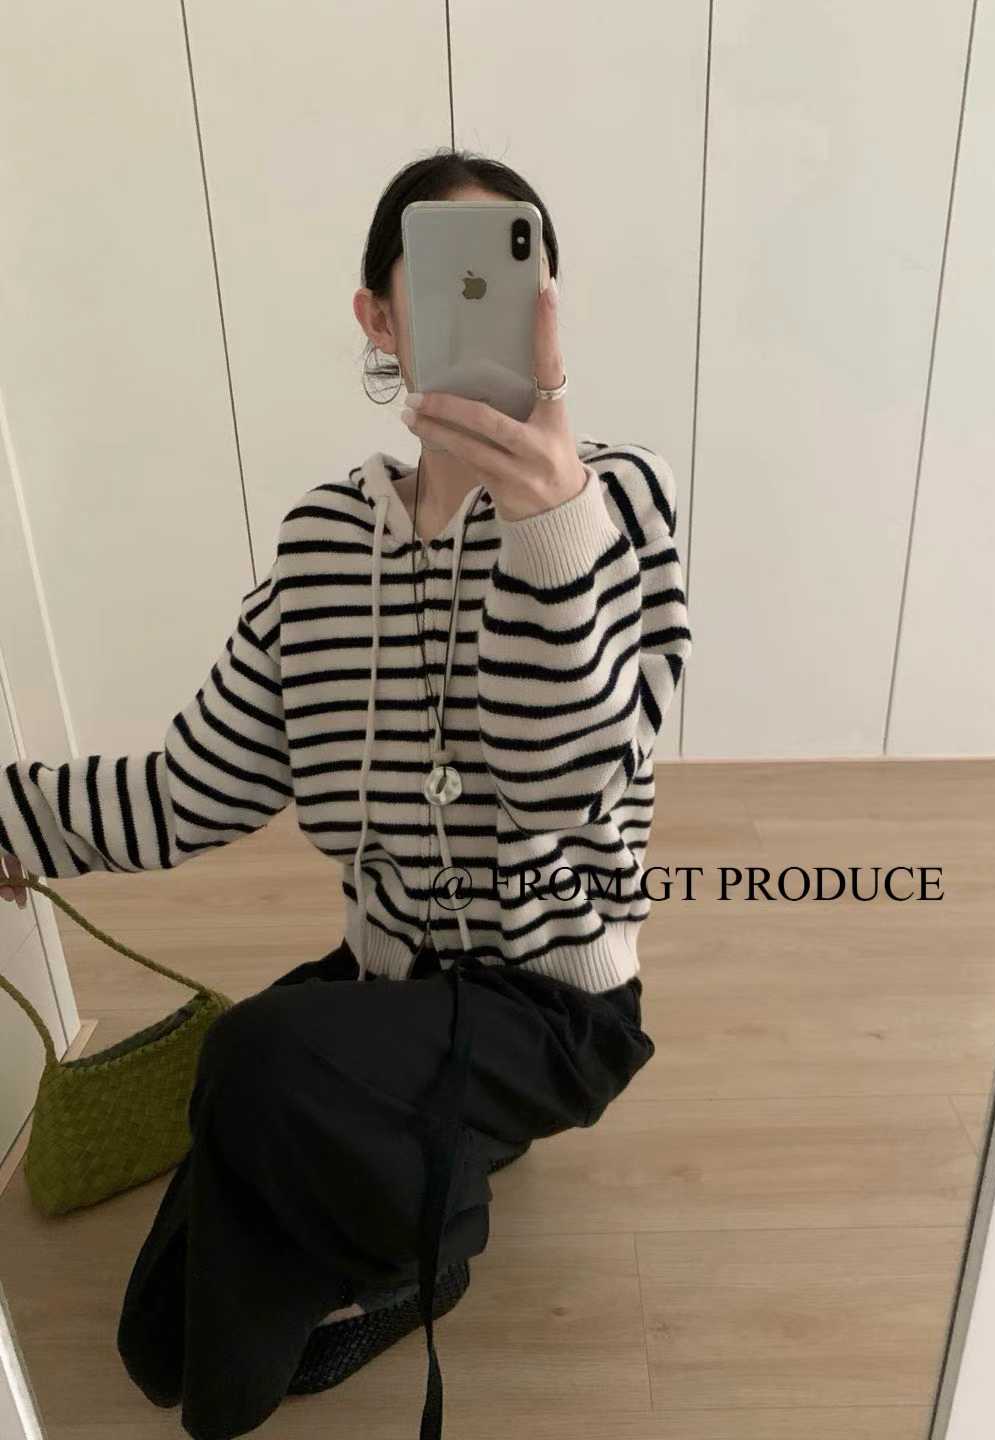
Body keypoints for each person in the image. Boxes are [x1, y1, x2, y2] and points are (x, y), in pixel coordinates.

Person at [0, 147, 692, 1440]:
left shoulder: (618, 507)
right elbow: (193, 787)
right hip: (389, 983)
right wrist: (11, 820)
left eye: (517, 269)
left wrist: (547, 525)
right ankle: (414, 1176)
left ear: (550, 305)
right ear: (378, 315)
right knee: (157, 1334)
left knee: (258, 1068)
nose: (482, 299)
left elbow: (562, 782)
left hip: (553, 1007)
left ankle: (429, 1242)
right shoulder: (322, 543)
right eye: (441, 272)